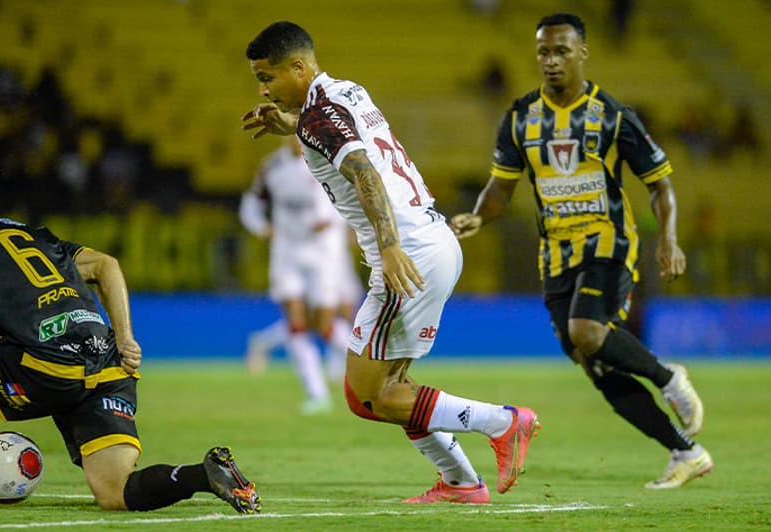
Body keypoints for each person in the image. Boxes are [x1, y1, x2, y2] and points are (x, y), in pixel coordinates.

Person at [0, 153, 261, 512]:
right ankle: (202, 475)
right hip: (107, 364)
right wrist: (125, 337)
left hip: (47, 370)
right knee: (115, 492)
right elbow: (106, 266)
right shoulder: (33, 235)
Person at [242, 21, 539, 503]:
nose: (263, 90)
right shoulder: (346, 91)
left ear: (297, 67)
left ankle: (504, 423)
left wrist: (388, 247)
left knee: (366, 396)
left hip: (408, 251)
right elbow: (341, 137)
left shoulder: (317, 116)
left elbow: (365, 173)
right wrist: (292, 124)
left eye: (267, 77)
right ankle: (462, 483)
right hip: (433, 241)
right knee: (393, 387)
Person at [451, 13, 712, 490]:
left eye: (561, 52)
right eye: (543, 53)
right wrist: (478, 216)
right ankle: (686, 452)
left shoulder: (611, 115)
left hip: (607, 242)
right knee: (594, 363)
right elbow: (500, 188)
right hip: (556, 256)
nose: (551, 61)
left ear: (582, 53)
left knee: (587, 331)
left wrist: (669, 238)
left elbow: (660, 184)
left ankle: (668, 377)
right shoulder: (520, 118)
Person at [239, 135, 361, 414]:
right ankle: (317, 394)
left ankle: (371, 366)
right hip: (287, 251)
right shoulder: (272, 166)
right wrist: (262, 228)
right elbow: (251, 203)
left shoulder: (329, 162)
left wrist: (334, 222)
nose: (295, 139)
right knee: (295, 323)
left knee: (325, 325)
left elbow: (352, 198)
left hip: (325, 252)